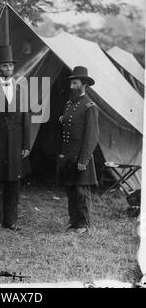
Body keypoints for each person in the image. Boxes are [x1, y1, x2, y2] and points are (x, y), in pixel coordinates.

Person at [0, 45, 30, 232]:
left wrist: (26, 144)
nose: (8, 69)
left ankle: (11, 222)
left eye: (10, 66)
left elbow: (26, 119)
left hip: (17, 143)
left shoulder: (21, 90)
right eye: (4, 66)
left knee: (14, 184)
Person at [57, 66, 99, 234]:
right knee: (70, 189)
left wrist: (83, 160)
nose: (71, 86)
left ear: (84, 84)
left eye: (75, 83)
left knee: (81, 191)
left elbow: (92, 136)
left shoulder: (90, 106)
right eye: (71, 83)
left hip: (81, 155)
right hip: (68, 155)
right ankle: (74, 222)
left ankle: (83, 224)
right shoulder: (69, 104)